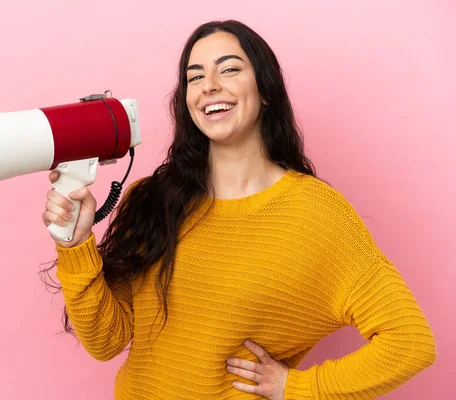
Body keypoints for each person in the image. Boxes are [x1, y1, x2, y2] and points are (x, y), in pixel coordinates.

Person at [41, 20, 436, 400]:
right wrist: (76, 246)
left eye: (228, 69)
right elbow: (106, 341)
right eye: (194, 77)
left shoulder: (317, 215)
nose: (209, 86)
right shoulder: (153, 199)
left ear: (265, 91)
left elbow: (410, 342)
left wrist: (295, 389)